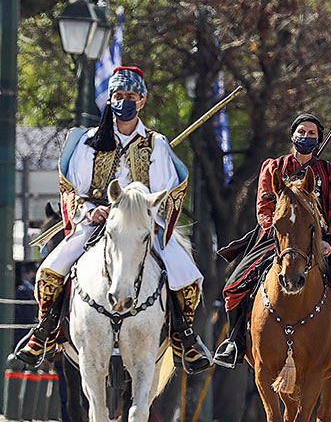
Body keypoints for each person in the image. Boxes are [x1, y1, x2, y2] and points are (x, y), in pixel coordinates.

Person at [13, 66, 212, 373]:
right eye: (119, 95)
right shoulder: (89, 141)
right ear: (110, 99)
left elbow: (167, 190)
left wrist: (143, 212)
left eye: (131, 96)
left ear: (142, 101)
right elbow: (72, 187)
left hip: (142, 225)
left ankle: (183, 336)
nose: (125, 101)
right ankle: (44, 332)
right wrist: (89, 210)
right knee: (51, 269)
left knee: (186, 273)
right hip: (96, 221)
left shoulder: (157, 144)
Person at [215, 113, 331, 371]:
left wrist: (330, 240)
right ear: (292, 136)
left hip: (318, 241)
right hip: (277, 237)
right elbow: (264, 206)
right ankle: (235, 341)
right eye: (301, 132)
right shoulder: (273, 167)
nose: (306, 137)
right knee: (234, 285)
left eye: (312, 134)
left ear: (319, 139)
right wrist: (273, 231)